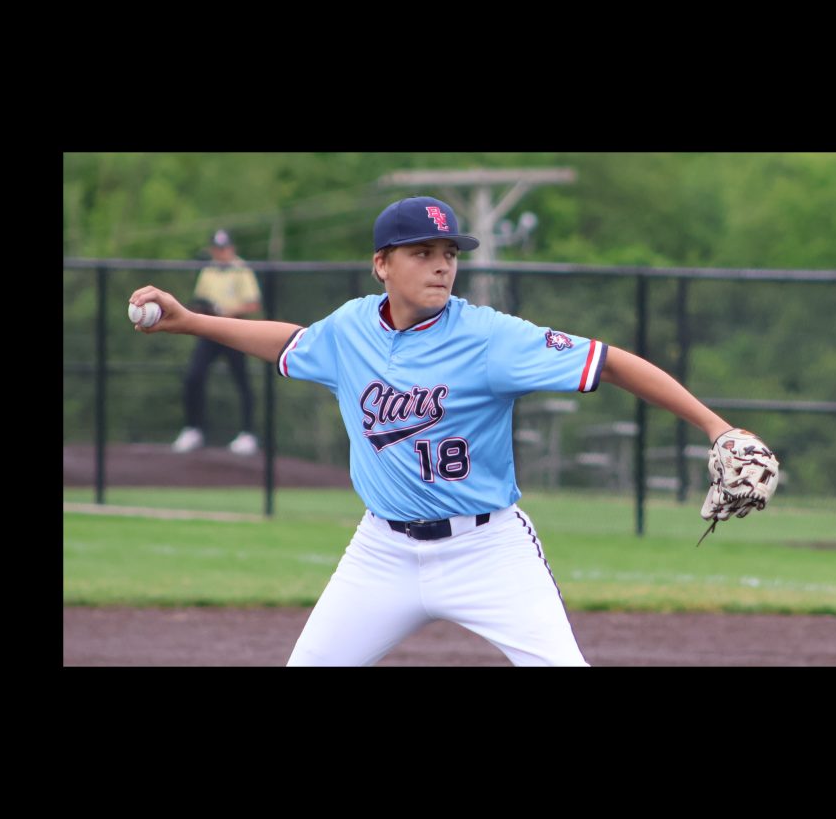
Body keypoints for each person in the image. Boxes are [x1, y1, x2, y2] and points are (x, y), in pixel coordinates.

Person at [129, 196, 778, 666]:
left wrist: (717, 427)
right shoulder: (351, 329)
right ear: (382, 265)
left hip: (487, 548)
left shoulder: (491, 337)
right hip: (381, 552)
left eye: (448, 254)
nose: (441, 266)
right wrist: (190, 322)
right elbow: (290, 342)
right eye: (423, 253)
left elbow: (609, 362)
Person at [170, 229, 262, 456]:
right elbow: (199, 300)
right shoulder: (209, 269)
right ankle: (193, 429)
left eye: (224, 248)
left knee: (242, 381)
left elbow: (253, 304)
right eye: (217, 249)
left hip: (235, 331)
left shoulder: (241, 269)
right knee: (193, 376)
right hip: (210, 331)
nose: (220, 253)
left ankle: (248, 434)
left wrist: (226, 311)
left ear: (231, 249)